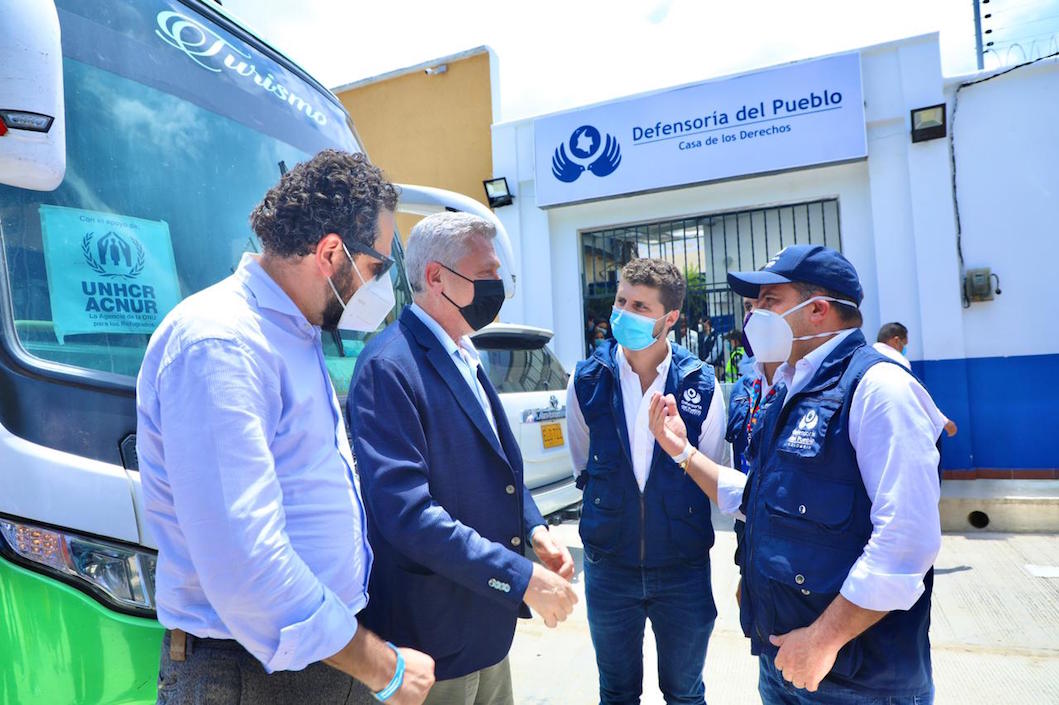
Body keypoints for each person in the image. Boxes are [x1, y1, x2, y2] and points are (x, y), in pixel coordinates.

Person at [136, 150, 435, 705]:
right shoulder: (221, 342)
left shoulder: (290, 332)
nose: (380, 288)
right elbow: (246, 566)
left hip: (312, 660)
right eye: (376, 269)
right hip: (251, 674)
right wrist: (385, 667)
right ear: (330, 252)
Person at [648, 244, 945, 704]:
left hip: (857, 680)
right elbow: (761, 497)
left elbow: (907, 541)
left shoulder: (879, 390)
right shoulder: (790, 387)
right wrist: (682, 451)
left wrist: (823, 639)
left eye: (769, 302)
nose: (753, 317)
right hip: (784, 662)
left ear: (819, 310)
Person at [347, 212, 577, 705]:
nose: (498, 287)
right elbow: (407, 515)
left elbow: (499, 469)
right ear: (435, 277)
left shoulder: (464, 353)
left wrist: (534, 529)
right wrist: (519, 578)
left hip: (484, 628)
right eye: (487, 274)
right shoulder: (390, 366)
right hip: (431, 639)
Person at [567, 258, 729, 705]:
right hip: (609, 568)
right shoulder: (586, 380)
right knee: (616, 693)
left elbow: (707, 468)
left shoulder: (701, 385)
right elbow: (583, 462)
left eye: (640, 305)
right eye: (621, 300)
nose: (623, 312)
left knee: (685, 692)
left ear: (669, 318)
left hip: (682, 569)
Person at [874, 322, 957, 438]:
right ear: (896, 341)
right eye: (904, 344)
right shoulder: (896, 360)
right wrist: (944, 421)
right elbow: (916, 395)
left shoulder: (868, 356)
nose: (904, 349)